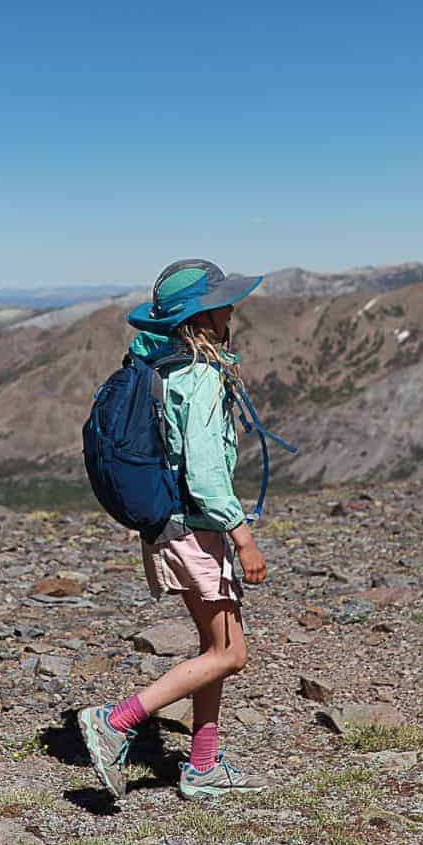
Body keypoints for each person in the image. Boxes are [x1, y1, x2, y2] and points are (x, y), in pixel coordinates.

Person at [78, 259, 270, 802]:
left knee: (215, 644)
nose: (232, 311)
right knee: (231, 654)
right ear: (202, 317)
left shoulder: (160, 364)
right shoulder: (200, 375)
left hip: (169, 525)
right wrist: (243, 536)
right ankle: (116, 721)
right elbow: (207, 474)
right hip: (199, 529)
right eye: (223, 304)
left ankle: (203, 764)